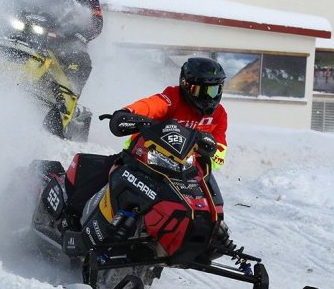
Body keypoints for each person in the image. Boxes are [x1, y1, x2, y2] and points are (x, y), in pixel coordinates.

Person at [62, 57, 228, 227]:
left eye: (214, 91)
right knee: (112, 170)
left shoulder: (219, 115)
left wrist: (209, 150)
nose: (208, 97)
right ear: (185, 85)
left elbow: (219, 153)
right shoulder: (172, 98)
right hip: (143, 159)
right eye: (201, 91)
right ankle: (71, 214)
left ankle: (211, 228)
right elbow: (151, 105)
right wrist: (127, 112)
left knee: (206, 190)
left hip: (186, 172)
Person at [42, 0, 103, 94]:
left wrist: (81, 35)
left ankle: (72, 93)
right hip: (47, 35)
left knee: (83, 63)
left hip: (73, 40)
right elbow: (41, 8)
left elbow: (97, 24)